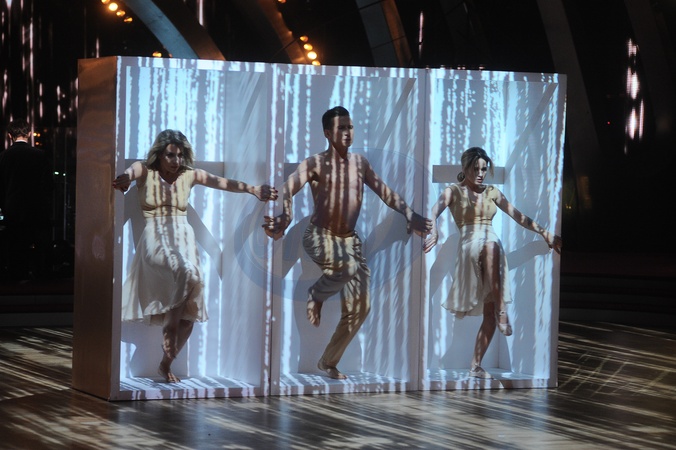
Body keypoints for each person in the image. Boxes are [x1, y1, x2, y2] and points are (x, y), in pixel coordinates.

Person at [263, 106, 432, 379]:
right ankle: (317, 294)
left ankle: (328, 361)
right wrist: (286, 215)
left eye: (350, 127)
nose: (347, 132)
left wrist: (410, 214)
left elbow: (386, 193)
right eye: (341, 128)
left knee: (361, 308)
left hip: (350, 242)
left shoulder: (360, 163)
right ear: (328, 133)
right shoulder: (315, 163)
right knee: (348, 267)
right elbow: (289, 187)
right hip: (320, 236)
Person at [113, 129, 277, 383]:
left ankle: (165, 363)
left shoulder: (189, 175)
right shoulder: (145, 170)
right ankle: (169, 327)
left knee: (190, 316)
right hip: (155, 236)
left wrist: (253, 189)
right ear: (159, 154)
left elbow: (223, 183)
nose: (176, 160)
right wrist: (125, 178)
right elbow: (130, 173)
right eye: (170, 155)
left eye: (180, 155)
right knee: (186, 271)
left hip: (184, 238)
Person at [423, 147, 562, 379]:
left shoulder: (492, 192)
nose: (480, 174)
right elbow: (434, 210)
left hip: (491, 250)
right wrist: (434, 230)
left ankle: (476, 365)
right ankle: (502, 310)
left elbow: (519, 216)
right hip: (469, 245)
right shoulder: (453, 191)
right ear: (465, 168)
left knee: (488, 310)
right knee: (492, 246)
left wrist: (544, 232)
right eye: (475, 169)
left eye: (484, 169)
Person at [0, 119, 52, 280]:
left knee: (15, 245)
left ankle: (17, 275)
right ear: (29, 134)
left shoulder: (4, 156)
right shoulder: (40, 155)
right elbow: (48, 185)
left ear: (10, 136)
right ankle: (40, 276)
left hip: (13, 207)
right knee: (39, 244)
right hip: (37, 208)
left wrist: (4, 206)